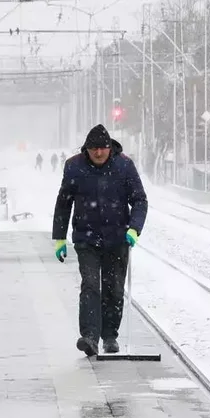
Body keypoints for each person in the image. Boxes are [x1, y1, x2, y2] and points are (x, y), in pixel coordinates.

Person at [51, 124, 148, 357]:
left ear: (109, 148)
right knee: (91, 285)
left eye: (102, 148)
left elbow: (139, 200)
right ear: (86, 149)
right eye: (93, 149)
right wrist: (59, 238)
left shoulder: (124, 166)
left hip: (117, 238)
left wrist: (134, 228)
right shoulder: (74, 167)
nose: (98, 153)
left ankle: (110, 335)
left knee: (114, 289)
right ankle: (90, 337)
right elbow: (64, 203)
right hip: (87, 238)